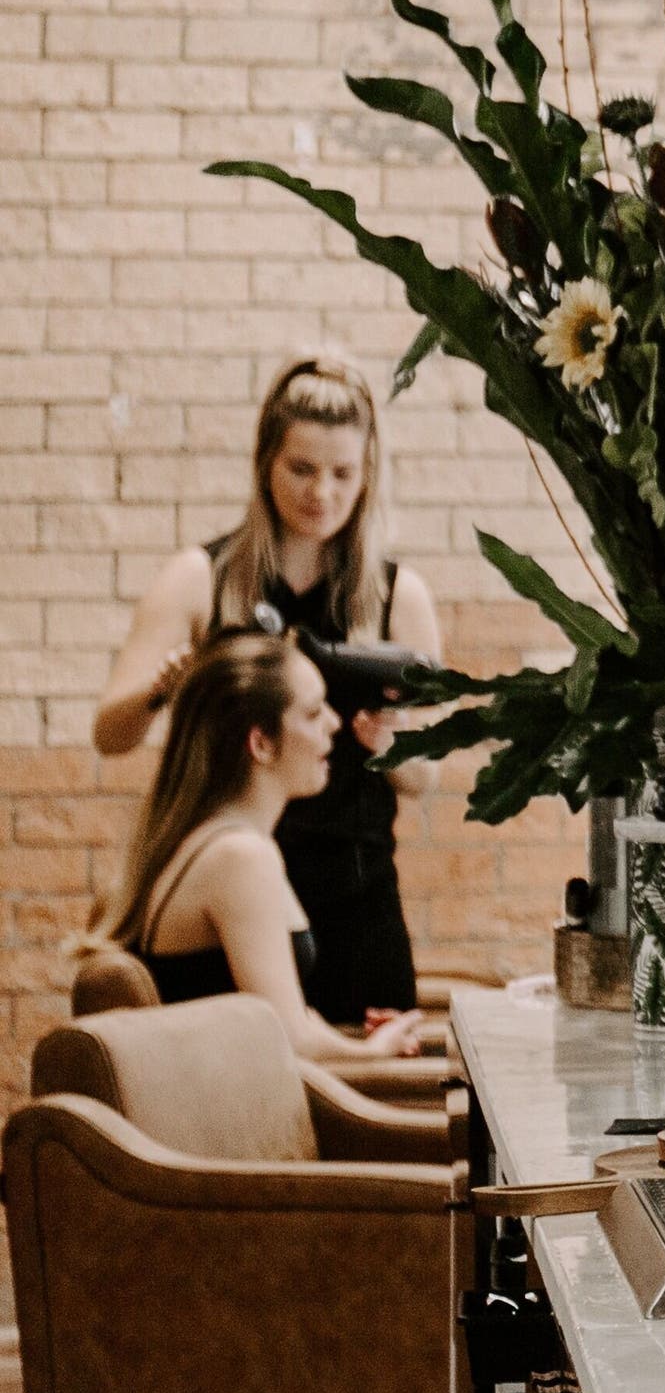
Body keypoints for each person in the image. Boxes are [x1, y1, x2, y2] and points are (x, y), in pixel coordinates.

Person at [94, 355, 443, 1026]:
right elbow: (110, 734)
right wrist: (159, 690)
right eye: (302, 470)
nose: (323, 493)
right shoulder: (204, 578)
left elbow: (425, 778)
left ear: (368, 476)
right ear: (265, 462)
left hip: (356, 898)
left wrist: (393, 745)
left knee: (361, 1099)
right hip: (231, 895)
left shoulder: (400, 598)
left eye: (343, 474)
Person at [94, 635, 437, 1064]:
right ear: (261, 743)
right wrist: (373, 1054)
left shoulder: (223, 843)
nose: (334, 722)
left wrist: (356, 1043)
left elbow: (289, 1020)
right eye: (313, 713)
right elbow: (289, 1042)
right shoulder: (240, 858)